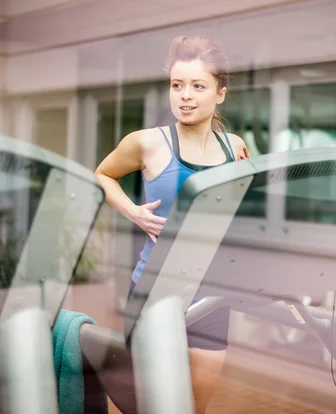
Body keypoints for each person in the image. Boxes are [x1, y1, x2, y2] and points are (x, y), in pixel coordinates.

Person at [95, 35, 250, 413]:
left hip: (211, 298)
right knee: (148, 404)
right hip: (153, 290)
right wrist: (132, 210)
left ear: (220, 94)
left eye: (198, 86)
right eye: (177, 85)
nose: (185, 95)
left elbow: (239, 213)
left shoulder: (236, 147)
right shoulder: (146, 143)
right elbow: (103, 174)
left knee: (194, 407)